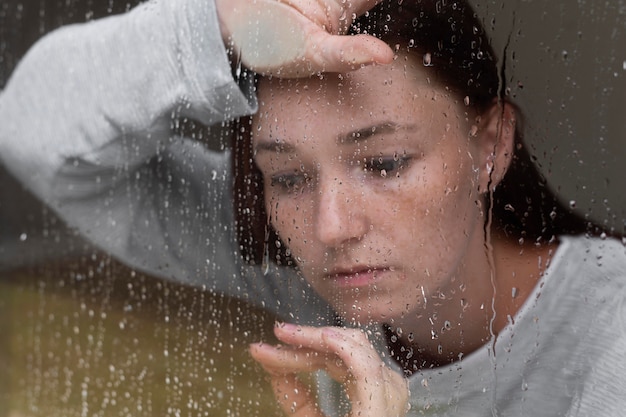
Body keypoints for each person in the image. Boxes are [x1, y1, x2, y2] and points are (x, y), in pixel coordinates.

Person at [0, 0, 624, 416]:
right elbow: (34, 133)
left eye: (384, 164)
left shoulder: (612, 340)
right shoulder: (311, 281)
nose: (331, 227)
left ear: (490, 146)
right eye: (290, 177)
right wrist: (223, 23)